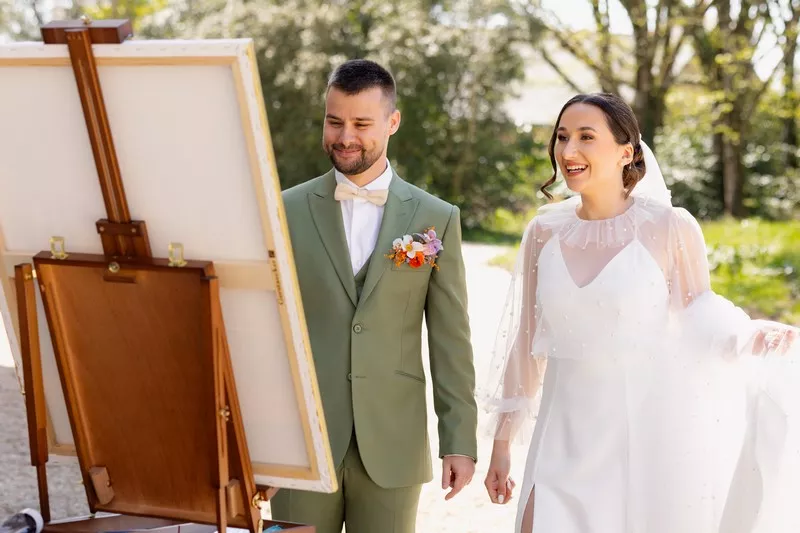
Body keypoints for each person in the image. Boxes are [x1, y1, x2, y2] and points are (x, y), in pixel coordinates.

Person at [481, 93, 800, 533]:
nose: (568, 151)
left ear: (625, 152)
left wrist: (750, 335)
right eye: (562, 137)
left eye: (586, 137)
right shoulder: (543, 231)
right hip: (560, 435)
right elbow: (527, 339)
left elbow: (699, 315)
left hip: (638, 437)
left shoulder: (670, 226)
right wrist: (502, 445)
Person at [271, 59, 478, 533]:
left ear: (392, 122)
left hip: (393, 440)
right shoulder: (283, 209)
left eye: (361, 124)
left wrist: (459, 440)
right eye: (334, 120)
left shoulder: (435, 216)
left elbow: (451, 338)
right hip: (301, 442)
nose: (345, 136)